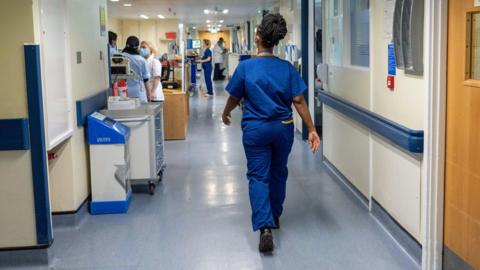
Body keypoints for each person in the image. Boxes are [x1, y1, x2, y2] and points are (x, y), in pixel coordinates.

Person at [222, 14, 321, 253]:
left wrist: (226, 113)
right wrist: (312, 129)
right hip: (282, 128)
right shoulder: (286, 68)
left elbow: (234, 97)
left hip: (256, 130)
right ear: (275, 42)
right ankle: (274, 216)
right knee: (278, 173)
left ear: (257, 38)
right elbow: (298, 100)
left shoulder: (245, 67)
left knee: (258, 176)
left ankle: (264, 226)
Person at [122, 36, 151, 103]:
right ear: (137, 47)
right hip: (138, 92)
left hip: (123, 92)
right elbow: (146, 79)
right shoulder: (141, 60)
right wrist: (149, 95)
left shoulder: (121, 56)